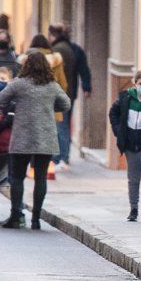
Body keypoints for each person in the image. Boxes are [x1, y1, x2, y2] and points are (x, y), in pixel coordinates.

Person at [0, 51, 71, 229]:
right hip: (45, 137)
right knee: (40, 178)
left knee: (17, 177)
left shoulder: (18, 85)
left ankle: (16, 216)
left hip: (22, 137)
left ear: (26, 65)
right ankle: (36, 218)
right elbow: (66, 104)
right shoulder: (52, 86)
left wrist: (14, 105)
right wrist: (49, 107)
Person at [110, 70, 141, 222]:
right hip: (130, 145)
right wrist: (118, 131)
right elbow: (113, 113)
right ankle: (133, 208)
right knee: (133, 178)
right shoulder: (125, 99)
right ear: (135, 84)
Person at [48, 23, 92, 171]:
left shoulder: (57, 50)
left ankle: (61, 158)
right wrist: (86, 87)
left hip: (59, 94)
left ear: (54, 35)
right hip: (70, 93)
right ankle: (63, 157)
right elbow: (84, 69)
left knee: (60, 126)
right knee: (64, 124)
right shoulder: (75, 49)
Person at [17, 35, 68, 123]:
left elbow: (19, 85)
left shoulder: (24, 61)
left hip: (29, 109)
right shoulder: (56, 60)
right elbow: (63, 84)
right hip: (51, 108)